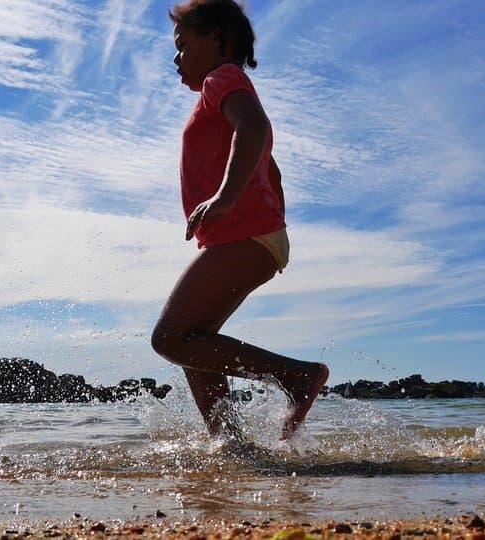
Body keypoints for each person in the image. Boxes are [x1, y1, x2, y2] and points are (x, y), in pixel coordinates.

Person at [151, 0, 329, 441]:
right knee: (195, 342)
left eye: (182, 45)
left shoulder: (221, 78)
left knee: (170, 339)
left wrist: (228, 200)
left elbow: (256, 129)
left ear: (217, 40)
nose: (176, 58)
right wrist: (272, 223)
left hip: (246, 235)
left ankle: (295, 377)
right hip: (254, 235)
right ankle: (229, 443)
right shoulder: (223, 88)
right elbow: (273, 168)